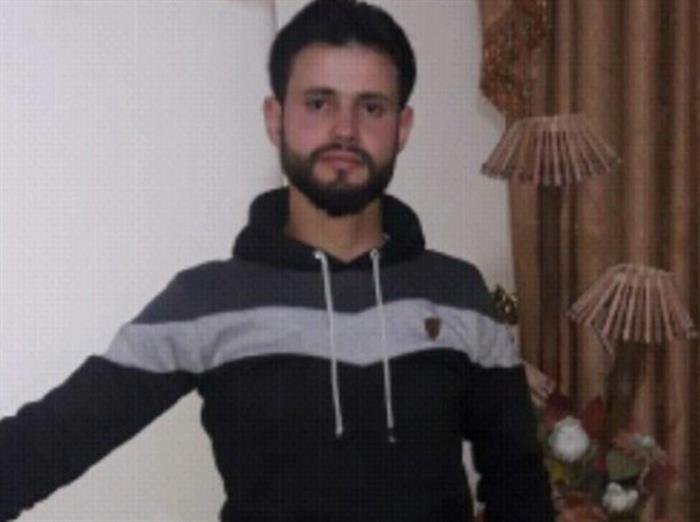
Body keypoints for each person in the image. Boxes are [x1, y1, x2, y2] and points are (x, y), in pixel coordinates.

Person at [0, 0, 554, 520]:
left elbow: (518, 483)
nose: (345, 129)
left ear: (402, 127)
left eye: (371, 107)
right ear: (275, 118)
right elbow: (48, 442)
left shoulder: (458, 292)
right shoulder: (206, 300)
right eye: (318, 103)